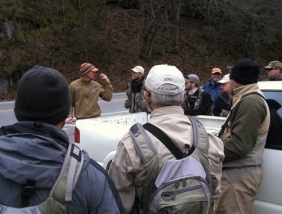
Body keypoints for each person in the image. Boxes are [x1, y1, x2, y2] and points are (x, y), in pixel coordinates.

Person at [0, 65, 125, 214]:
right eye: (92, 72)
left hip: (96, 121)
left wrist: (107, 83)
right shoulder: (91, 176)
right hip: (82, 123)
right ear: (63, 118)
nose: (94, 75)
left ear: (17, 111)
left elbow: (107, 97)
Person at [108, 64, 224, 214]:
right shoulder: (209, 141)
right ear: (183, 96)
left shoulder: (131, 145)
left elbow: (119, 205)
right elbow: (214, 194)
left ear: (146, 96)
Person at [214, 59, 270, 214]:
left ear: (235, 79)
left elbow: (240, 145)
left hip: (239, 176)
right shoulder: (246, 98)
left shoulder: (251, 102)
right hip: (235, 173)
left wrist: (209, 147)